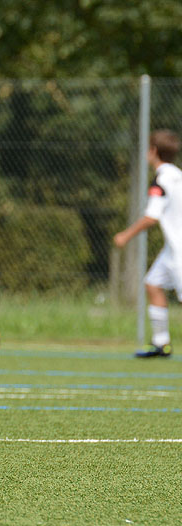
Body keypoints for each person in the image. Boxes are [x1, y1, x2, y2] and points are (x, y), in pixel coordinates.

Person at [114, 129, 182, 358]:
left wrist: (126, 235)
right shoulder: (177, 174)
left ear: (153, 151)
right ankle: (162, 343)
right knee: (153, 283)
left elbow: (152, 217)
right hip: (172, 250)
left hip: (179, 250)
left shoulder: (161, 179)